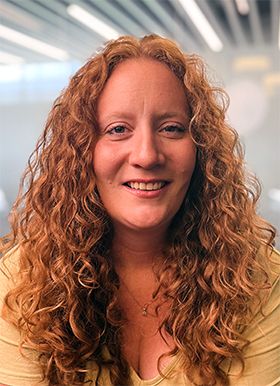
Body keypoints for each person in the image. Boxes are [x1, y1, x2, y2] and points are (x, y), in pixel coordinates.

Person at [0, 34, 279, 386]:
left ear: (201, 150)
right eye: (118, 130)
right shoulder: (21, 285)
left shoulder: (258, 279)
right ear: (83, 150)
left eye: (172, 128)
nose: (146, 155)